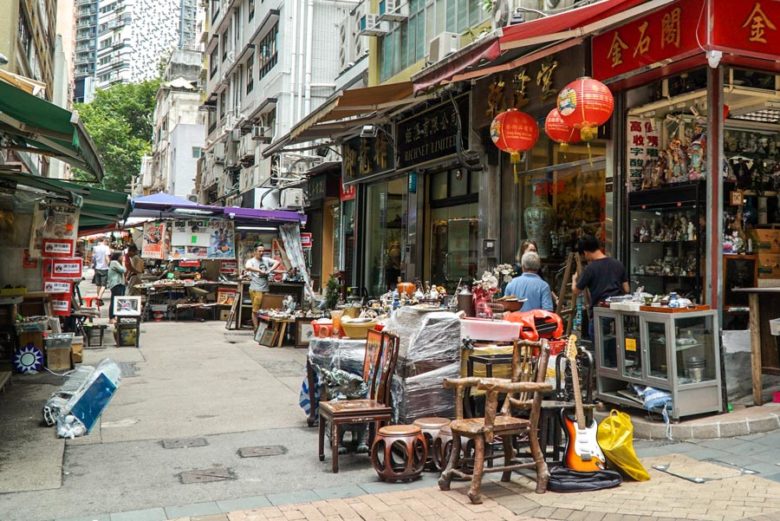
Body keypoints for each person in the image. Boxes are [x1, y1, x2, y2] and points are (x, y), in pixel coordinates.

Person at [572, 234, 629, 338]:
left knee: (600, 349)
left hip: (599, 314)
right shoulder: (617, 264)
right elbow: (626, 289)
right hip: (618, 314)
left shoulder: (590, 269)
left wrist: (574, 279)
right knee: (617, 347)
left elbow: (576, 290)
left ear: (585, 252)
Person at [244, 244, 280, 330]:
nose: (261, 253)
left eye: (263, 251)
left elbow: (277, 262)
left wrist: (270, 270)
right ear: (255, 252)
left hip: (265, 289)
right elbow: (247, 267)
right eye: (259, 251)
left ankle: (263, 329)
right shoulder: (251, 261)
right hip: (256, 289)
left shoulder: (266, 260)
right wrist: (259, 270)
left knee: (266, 310)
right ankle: (256, 329)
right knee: (255, 310)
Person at [107, 251, 126, 323]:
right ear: (118, 257)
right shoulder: (114, 262)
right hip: (116, 284)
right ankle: (111, 318)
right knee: (114, 301)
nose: (122, 257)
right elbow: (123, 270)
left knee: (117, 301)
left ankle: (115, 317)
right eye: (122, 256)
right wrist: (123, 263)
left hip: (119, 283)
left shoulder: (116, 263)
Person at [91, 237, 111, 303]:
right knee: (103, 285)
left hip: (97, 268)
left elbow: (93, 258)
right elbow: (107, 257)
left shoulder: (95, 248)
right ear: (104, 241)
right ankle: (99, 297)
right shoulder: (106, 248)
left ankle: (98, 298)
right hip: (104, 268)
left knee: (98, 284)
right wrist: (109, 264)